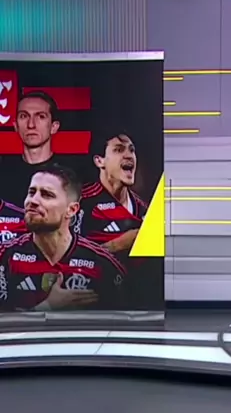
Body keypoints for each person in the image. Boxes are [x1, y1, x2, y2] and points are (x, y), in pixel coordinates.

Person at [0, 165, 126, 311]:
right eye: (31, 192)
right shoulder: (5, 256)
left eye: (47, 195)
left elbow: (125, 318)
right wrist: (48, 307)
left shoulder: (102, 263)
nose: (33, 201)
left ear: (71, 210)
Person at [3, 91, 85, 208]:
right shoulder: (3, 172)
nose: (31, 125)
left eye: (41, 116)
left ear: (54, 127)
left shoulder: (72, 174)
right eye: (24, 116)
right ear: (16, 125)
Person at [76, 131, 148, 258]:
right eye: (119, 150)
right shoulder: (82, 202)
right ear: (99, 161)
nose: (129, 156)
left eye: (131, 150)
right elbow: (71, 256)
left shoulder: (143, 208)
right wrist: (117, 245)